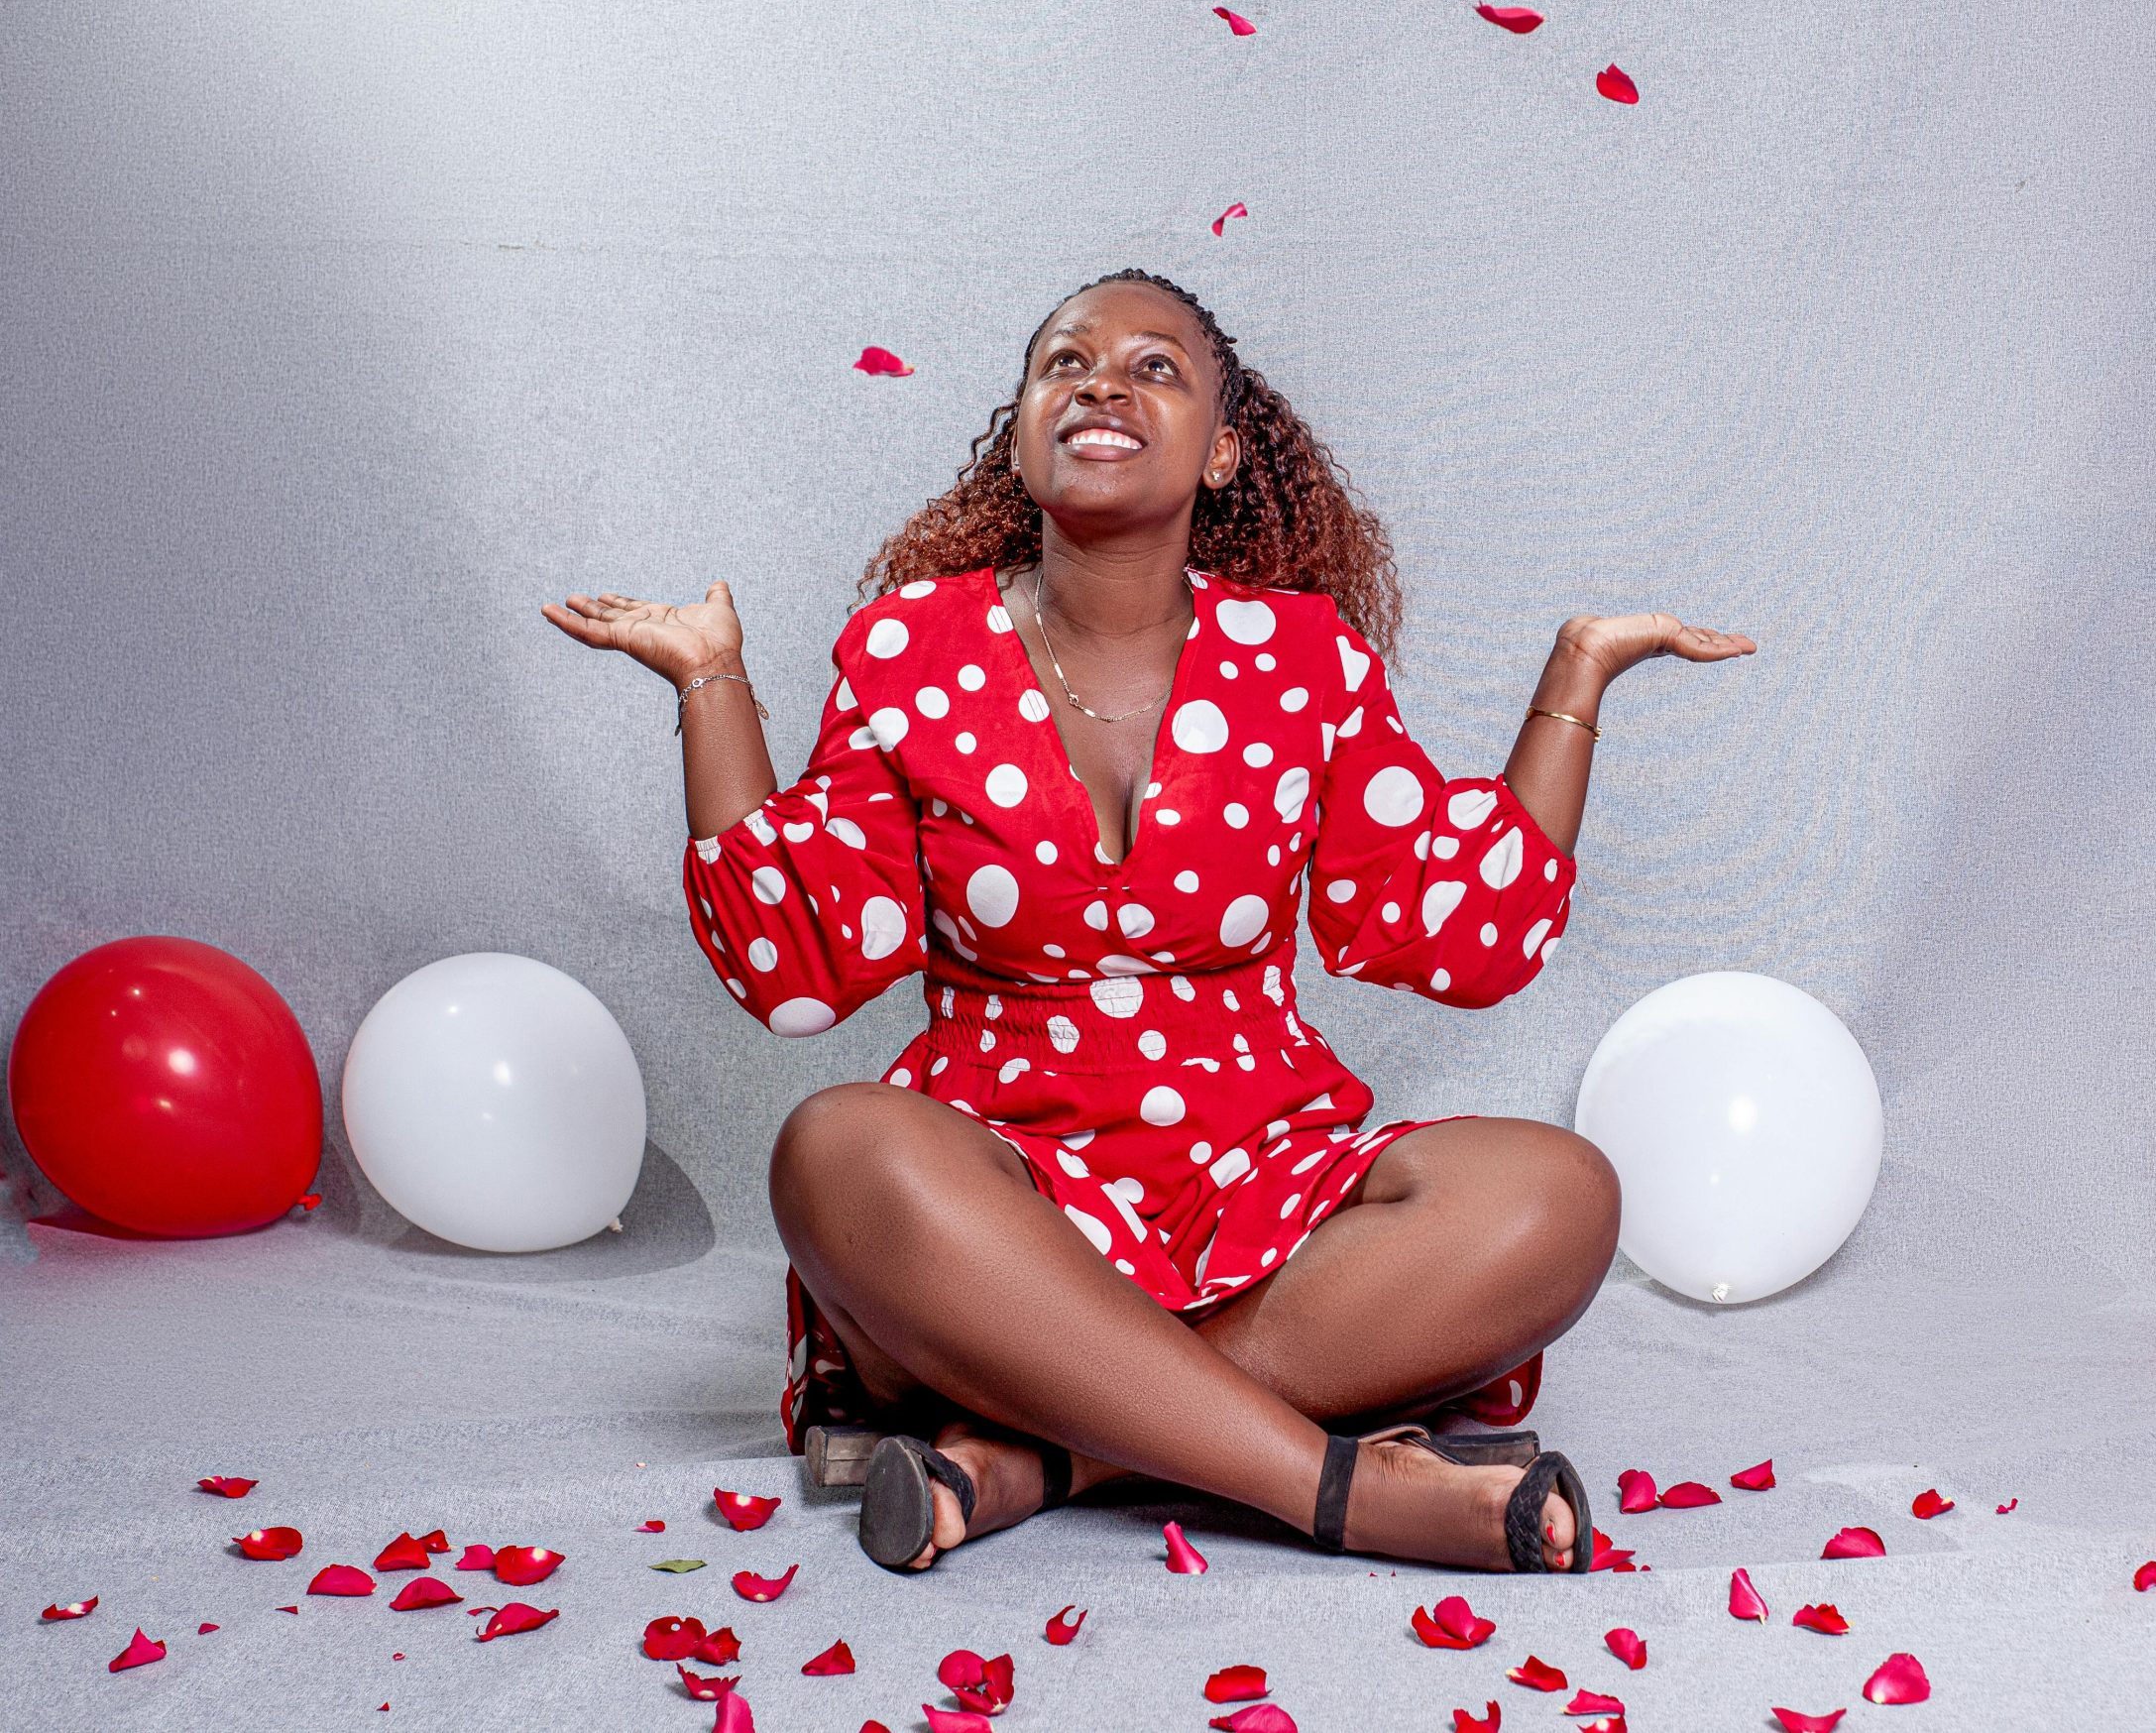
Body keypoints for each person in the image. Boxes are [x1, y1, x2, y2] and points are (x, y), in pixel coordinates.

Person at [542, 268, 1756, 1574]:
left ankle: (1037, 1459)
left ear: (1222, 450)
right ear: (1020, 436)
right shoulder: (907, 648)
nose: (1103, 386)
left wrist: (1574, 680)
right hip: (994, 1204)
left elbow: (1462, 927)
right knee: (835, 1147)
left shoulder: (1307, 658)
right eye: (1064, 364)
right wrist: (713, 682)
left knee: (1559, 1195)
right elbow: (796, 963)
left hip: (1261, 1184)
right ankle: (1338, 1489)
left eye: (1155, 368)